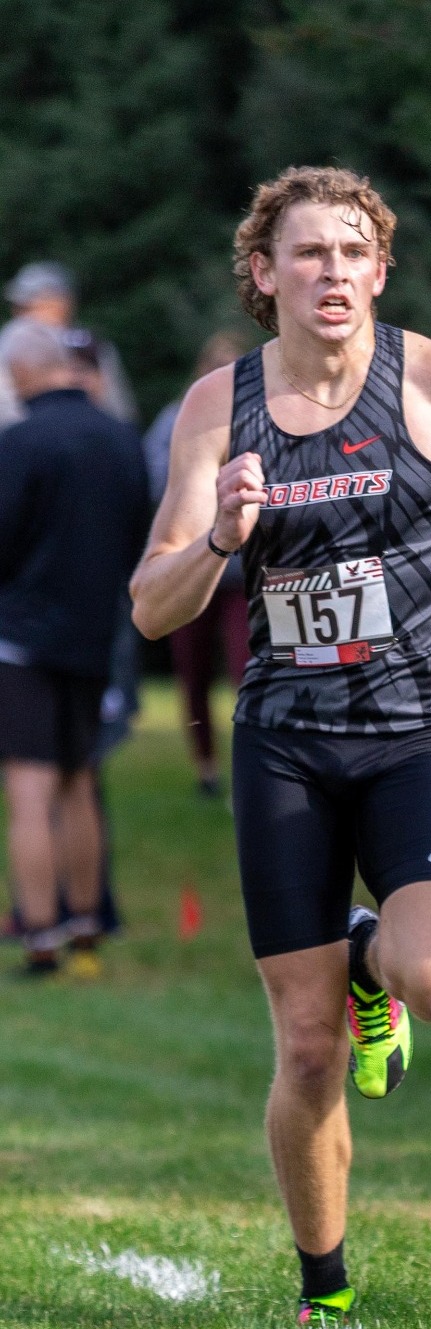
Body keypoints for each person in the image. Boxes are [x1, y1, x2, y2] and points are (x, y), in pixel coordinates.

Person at [128, 167, 431, 1326]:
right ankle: (323, 1290)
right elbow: (150, 606)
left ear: (380, 271)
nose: (332, 272)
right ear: (264, 273)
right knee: (305, 1047)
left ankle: (369, 955)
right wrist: (220, 538)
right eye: (308, 252)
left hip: (413, 732)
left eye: (351, 252)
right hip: (285, 744)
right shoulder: (216, 408)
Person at [0, 319, 150, 977]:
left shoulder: (20, 440)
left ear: (21, 371)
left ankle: (40, 936)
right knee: (81, 778)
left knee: (30, 787)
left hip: (22, 639)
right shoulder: (120, 438)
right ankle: (87, 926)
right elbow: (142, 531)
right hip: (96, 633)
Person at [144, 332, 252, 795]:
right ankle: (206, 768)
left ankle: (251, 766)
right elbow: (156, 482)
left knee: (248, 668)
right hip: (191, 564)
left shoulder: (265, 415)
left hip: (245, 572)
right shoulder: (177, 418)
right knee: (193, 672)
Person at [0, 262, 137, 427]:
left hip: (90, 433)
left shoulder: (88, 344)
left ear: (62, 302)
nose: (19, 314)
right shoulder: (13, 341)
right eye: (19, 307)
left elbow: (118, 408)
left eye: (28, 306)